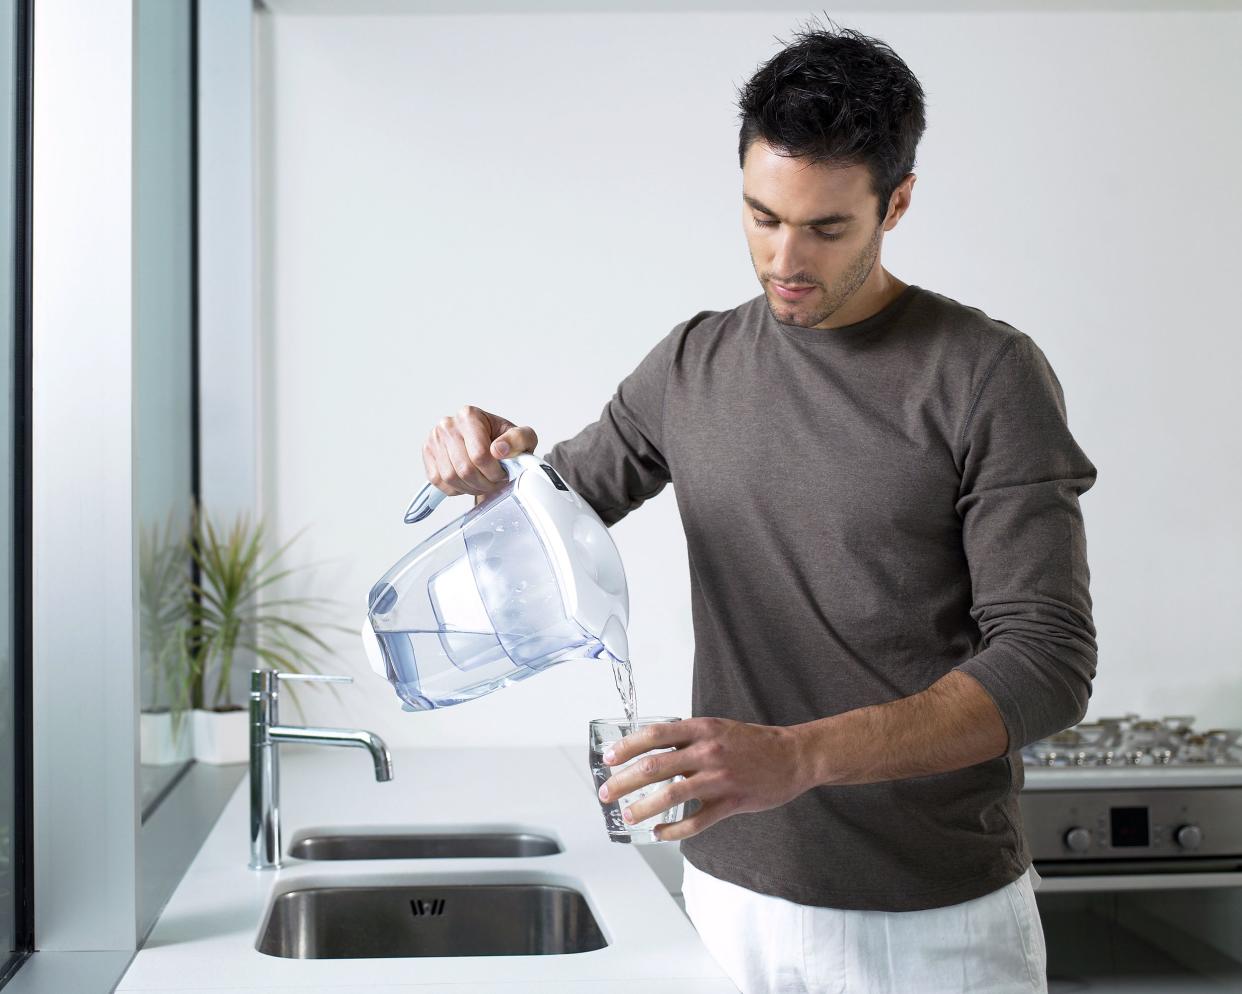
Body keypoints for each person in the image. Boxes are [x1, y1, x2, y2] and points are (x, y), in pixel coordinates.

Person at [419, 17, 1095, 994]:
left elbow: (1047, 664)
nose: (785, 257)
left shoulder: (985, 374)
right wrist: (493, 473)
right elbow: (554, 517)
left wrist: (799, 756)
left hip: (931, 927)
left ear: (896, 203)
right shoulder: (695, 361)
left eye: (827, 228)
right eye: (762, 215)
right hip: (728, 907)